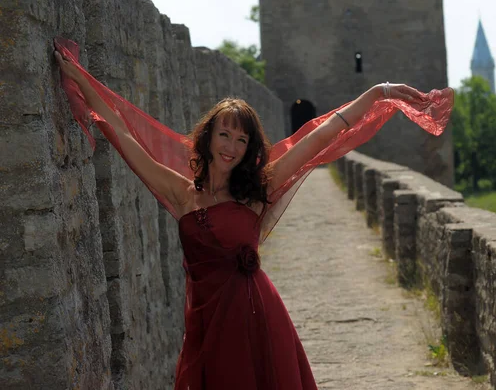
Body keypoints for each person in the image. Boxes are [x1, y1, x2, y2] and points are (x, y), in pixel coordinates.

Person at [53, 38, 453, 389]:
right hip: (207, 327)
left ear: (249, 149)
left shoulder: (257, 192)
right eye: (224, 134)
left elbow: (321, 135)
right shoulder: (181, 195)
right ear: (207, 139)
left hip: (258, 318)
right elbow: (125, 135)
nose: (231, 146)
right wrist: (81, 79)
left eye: (241, 140)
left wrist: (380, 92)